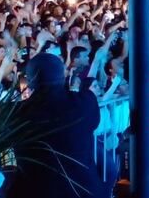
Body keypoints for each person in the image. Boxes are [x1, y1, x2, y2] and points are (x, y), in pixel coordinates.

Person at [7, 53, 102, 198]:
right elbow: (93, 123)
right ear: (63, 76)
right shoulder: (85, 102)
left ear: (30, 81)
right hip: (83, 189)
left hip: (36, 191)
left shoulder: (14, 113)